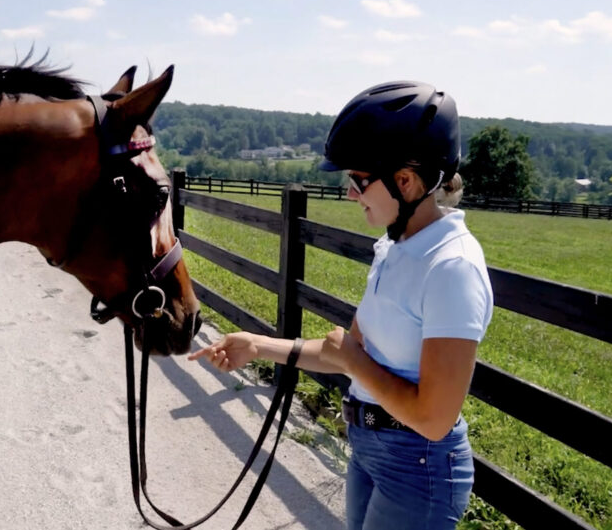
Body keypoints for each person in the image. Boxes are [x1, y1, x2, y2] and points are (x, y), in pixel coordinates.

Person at [189, 81, 493, 530]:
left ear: (405, 181)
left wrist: (355, 362)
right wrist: (257, 345)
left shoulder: (451, 268)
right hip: (370, 445)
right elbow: (342, 353)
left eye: (358, 180)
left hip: (419, 464)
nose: (351, 193)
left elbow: (433, 418)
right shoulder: (397, 249)